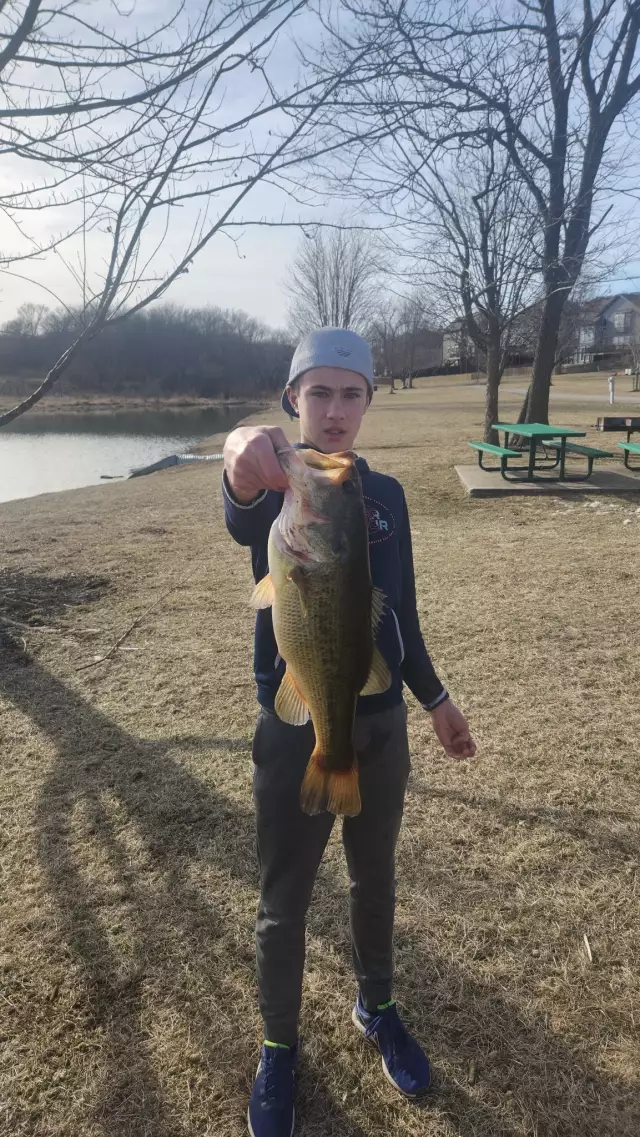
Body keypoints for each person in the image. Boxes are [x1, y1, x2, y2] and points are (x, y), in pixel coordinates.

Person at [222, 327, 476, 1137]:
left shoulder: (389, 497)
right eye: (318, 392)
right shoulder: (280, 482)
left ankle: (377, 1006)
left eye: (351, 393)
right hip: (296, 727)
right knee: (283, 902)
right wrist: (239, 458)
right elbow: (239, 495)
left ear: (370, 398)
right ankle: (278, 1048)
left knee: (375, 881)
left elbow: (398, 610)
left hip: (378, 727)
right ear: (292, 396)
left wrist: (434, 699)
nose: (334, 411)